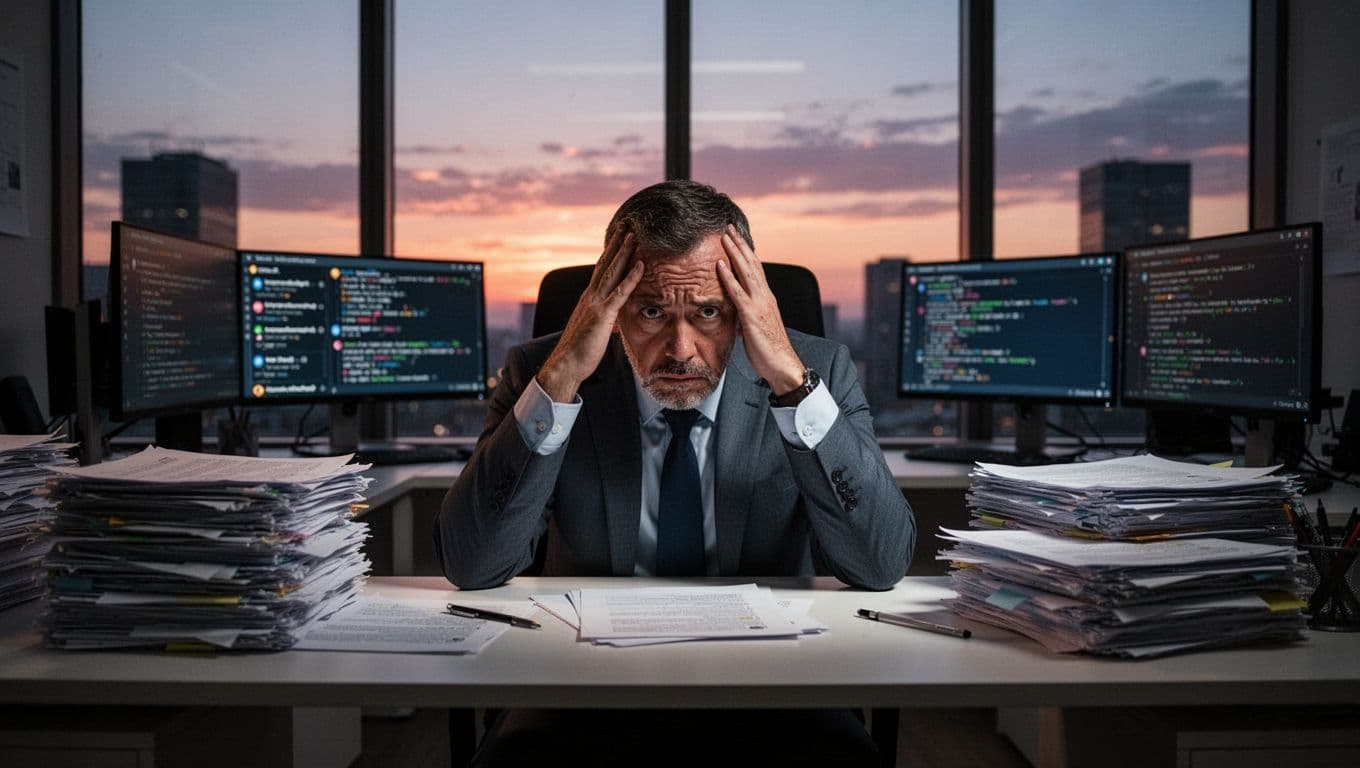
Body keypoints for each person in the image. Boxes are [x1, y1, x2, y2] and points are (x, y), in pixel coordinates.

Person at [436, 180, 914, 767]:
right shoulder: (541, 373)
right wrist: (560, 381)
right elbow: (473, 563)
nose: (680, 349)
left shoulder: (817, 372)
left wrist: (791, 383)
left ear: (746, 308)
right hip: (585, 684)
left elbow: (882, 562)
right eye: (652, 310)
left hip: (773, 684)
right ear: (609, 307)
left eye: (709, 312)